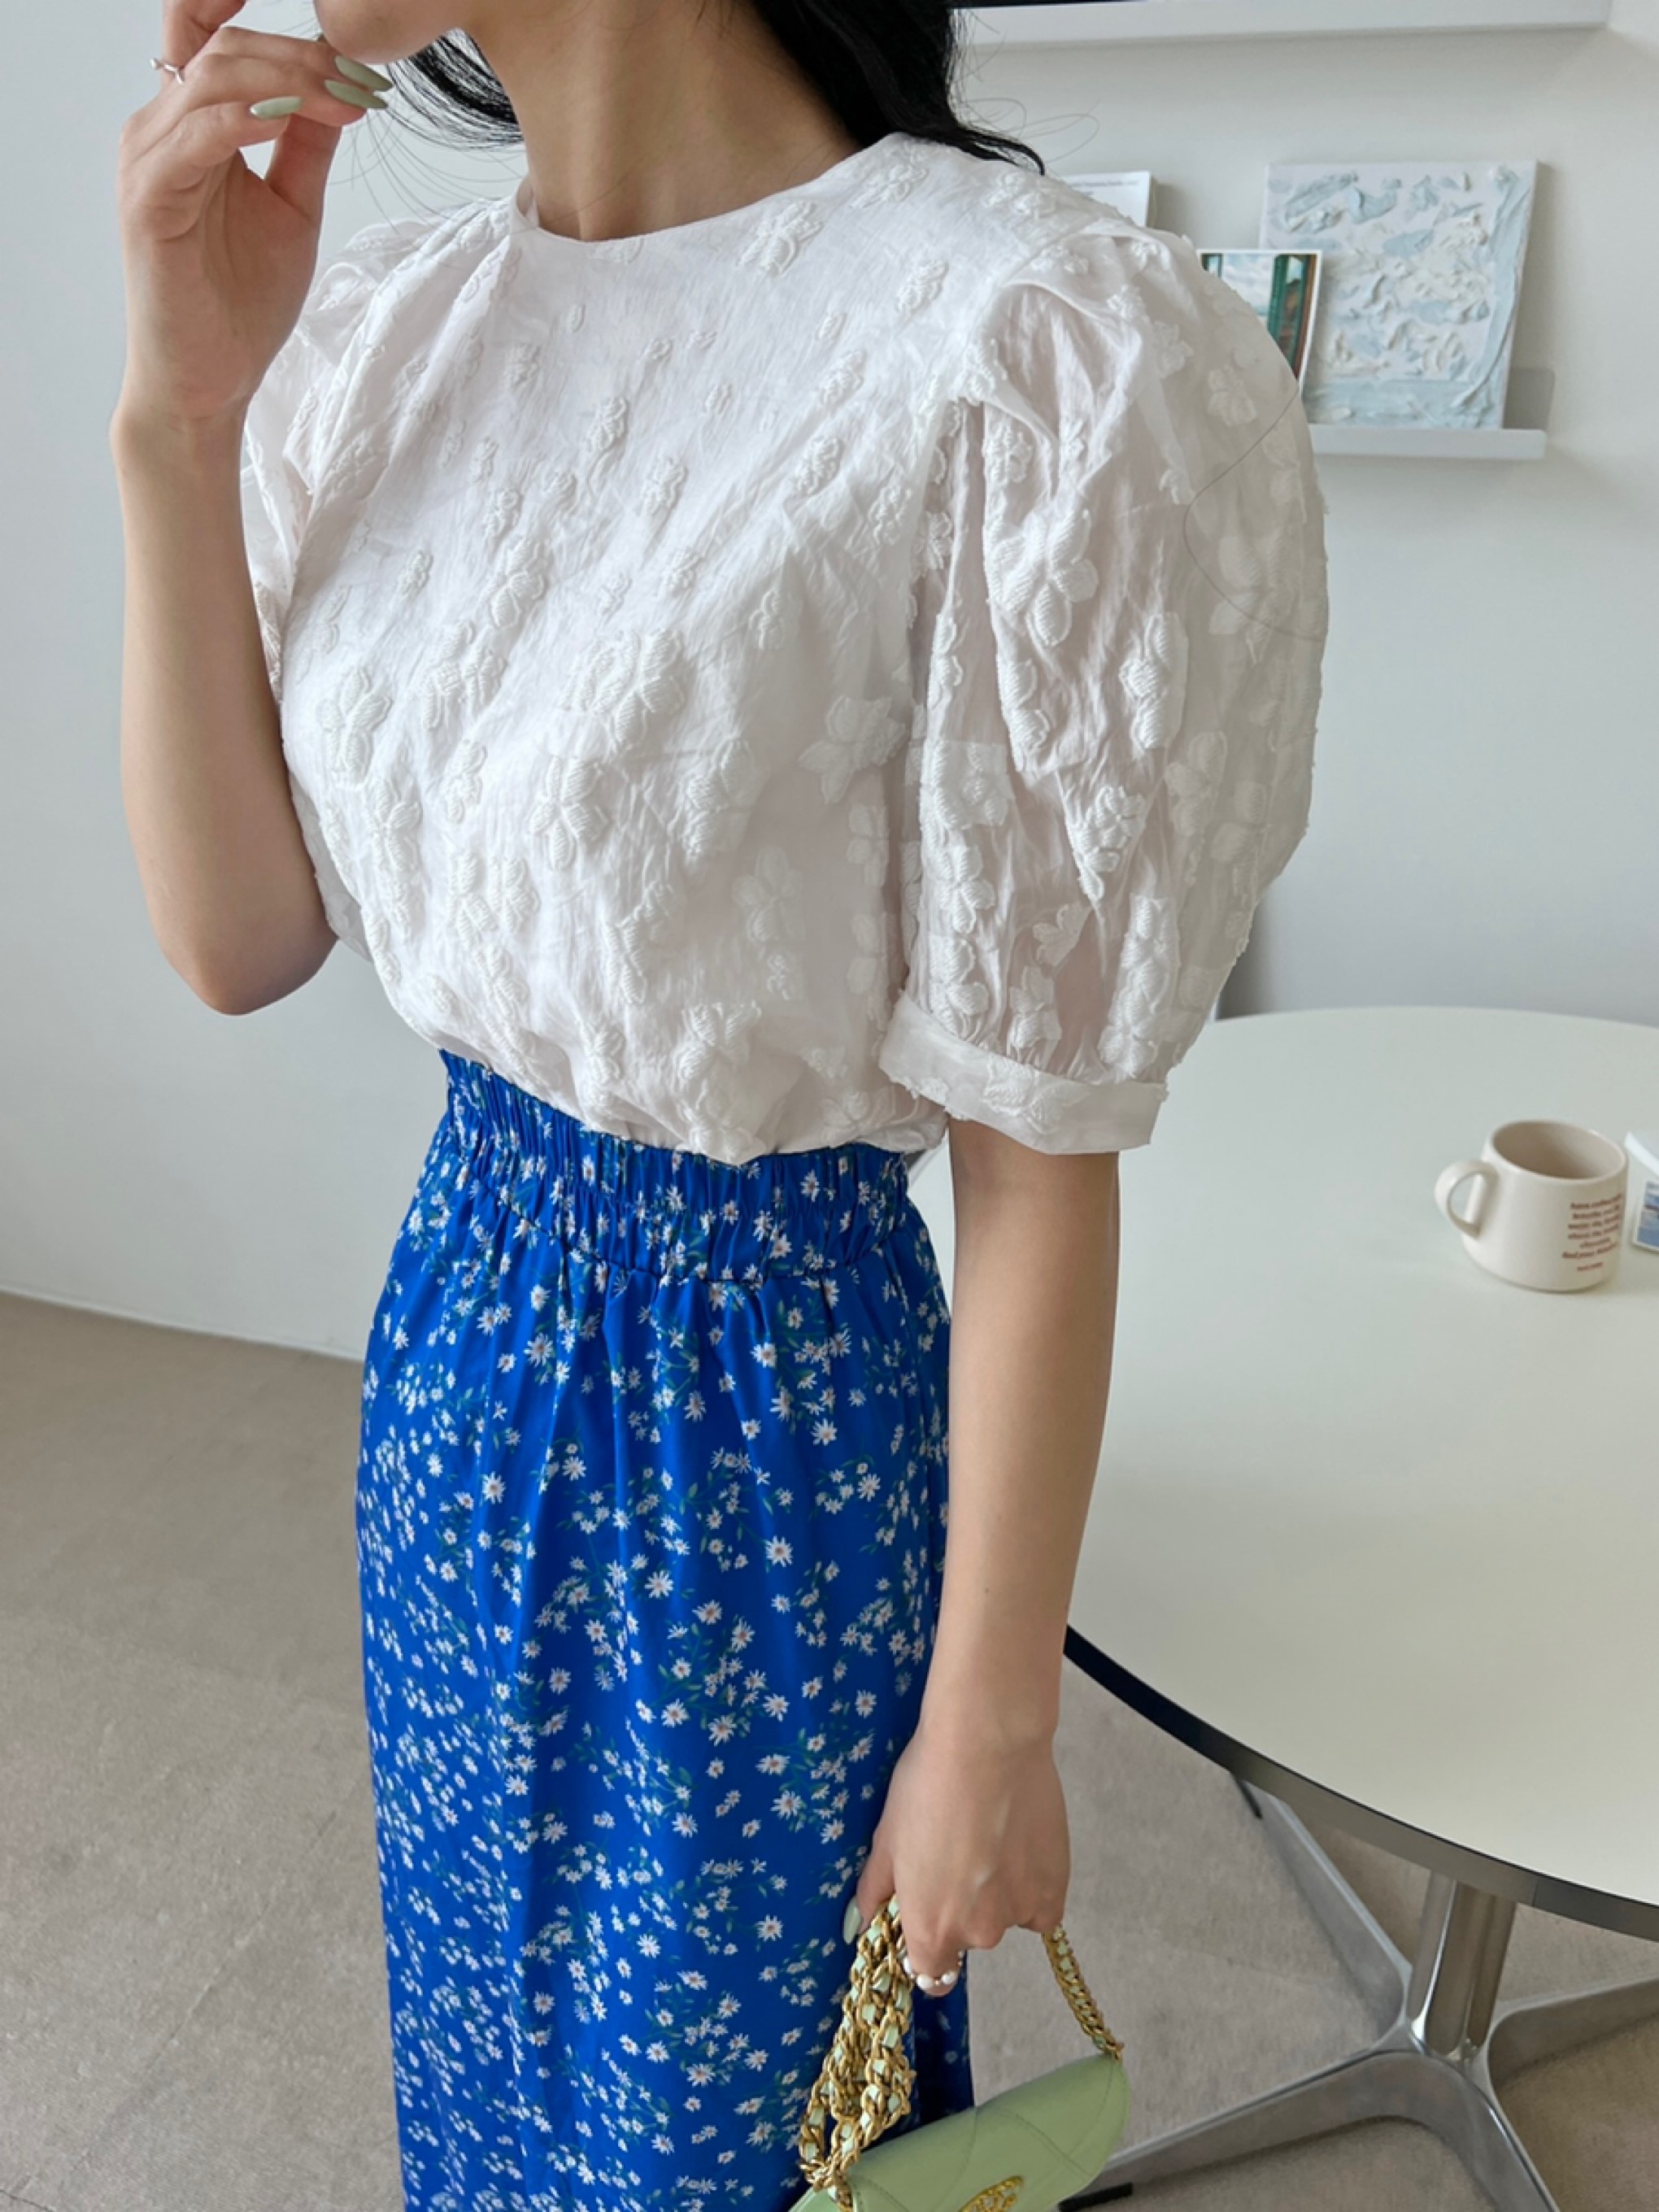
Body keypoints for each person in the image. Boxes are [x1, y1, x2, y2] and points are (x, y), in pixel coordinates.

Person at [110, 2, 1329, 2204]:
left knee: (734, 2133)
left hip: (760, 1428)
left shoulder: (1020, 342)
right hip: (461, 1351)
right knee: (495, 2068)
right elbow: (234, 938)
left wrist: (994, 1721)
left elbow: (1039, 1146)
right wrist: (181, 420)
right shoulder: (398, 330)